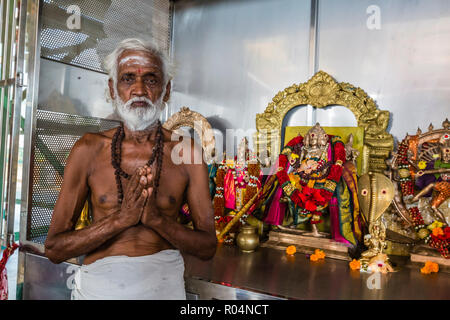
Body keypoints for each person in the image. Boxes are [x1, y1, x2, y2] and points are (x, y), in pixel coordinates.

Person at [44, 38, 217, 300]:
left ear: (166, 90)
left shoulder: (188, 153)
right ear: (113, 89)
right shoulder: (88, 149)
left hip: (164, 289)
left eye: (151, 79)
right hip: (98, 290)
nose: (138, 90)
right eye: (127, 79)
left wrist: (155, 219)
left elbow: (207, 247)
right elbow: (55, 249)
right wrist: (121, 219)